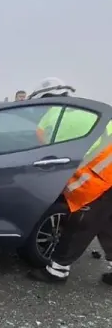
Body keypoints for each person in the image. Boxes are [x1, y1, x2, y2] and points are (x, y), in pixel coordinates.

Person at [26, 77, 112, 285]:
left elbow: (48, 157)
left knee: (79, 224)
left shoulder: (49, 120)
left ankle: (57, 271)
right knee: (107, 223)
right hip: (106, 175)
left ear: (44, 99)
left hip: (98, 179)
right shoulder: (88, 110)